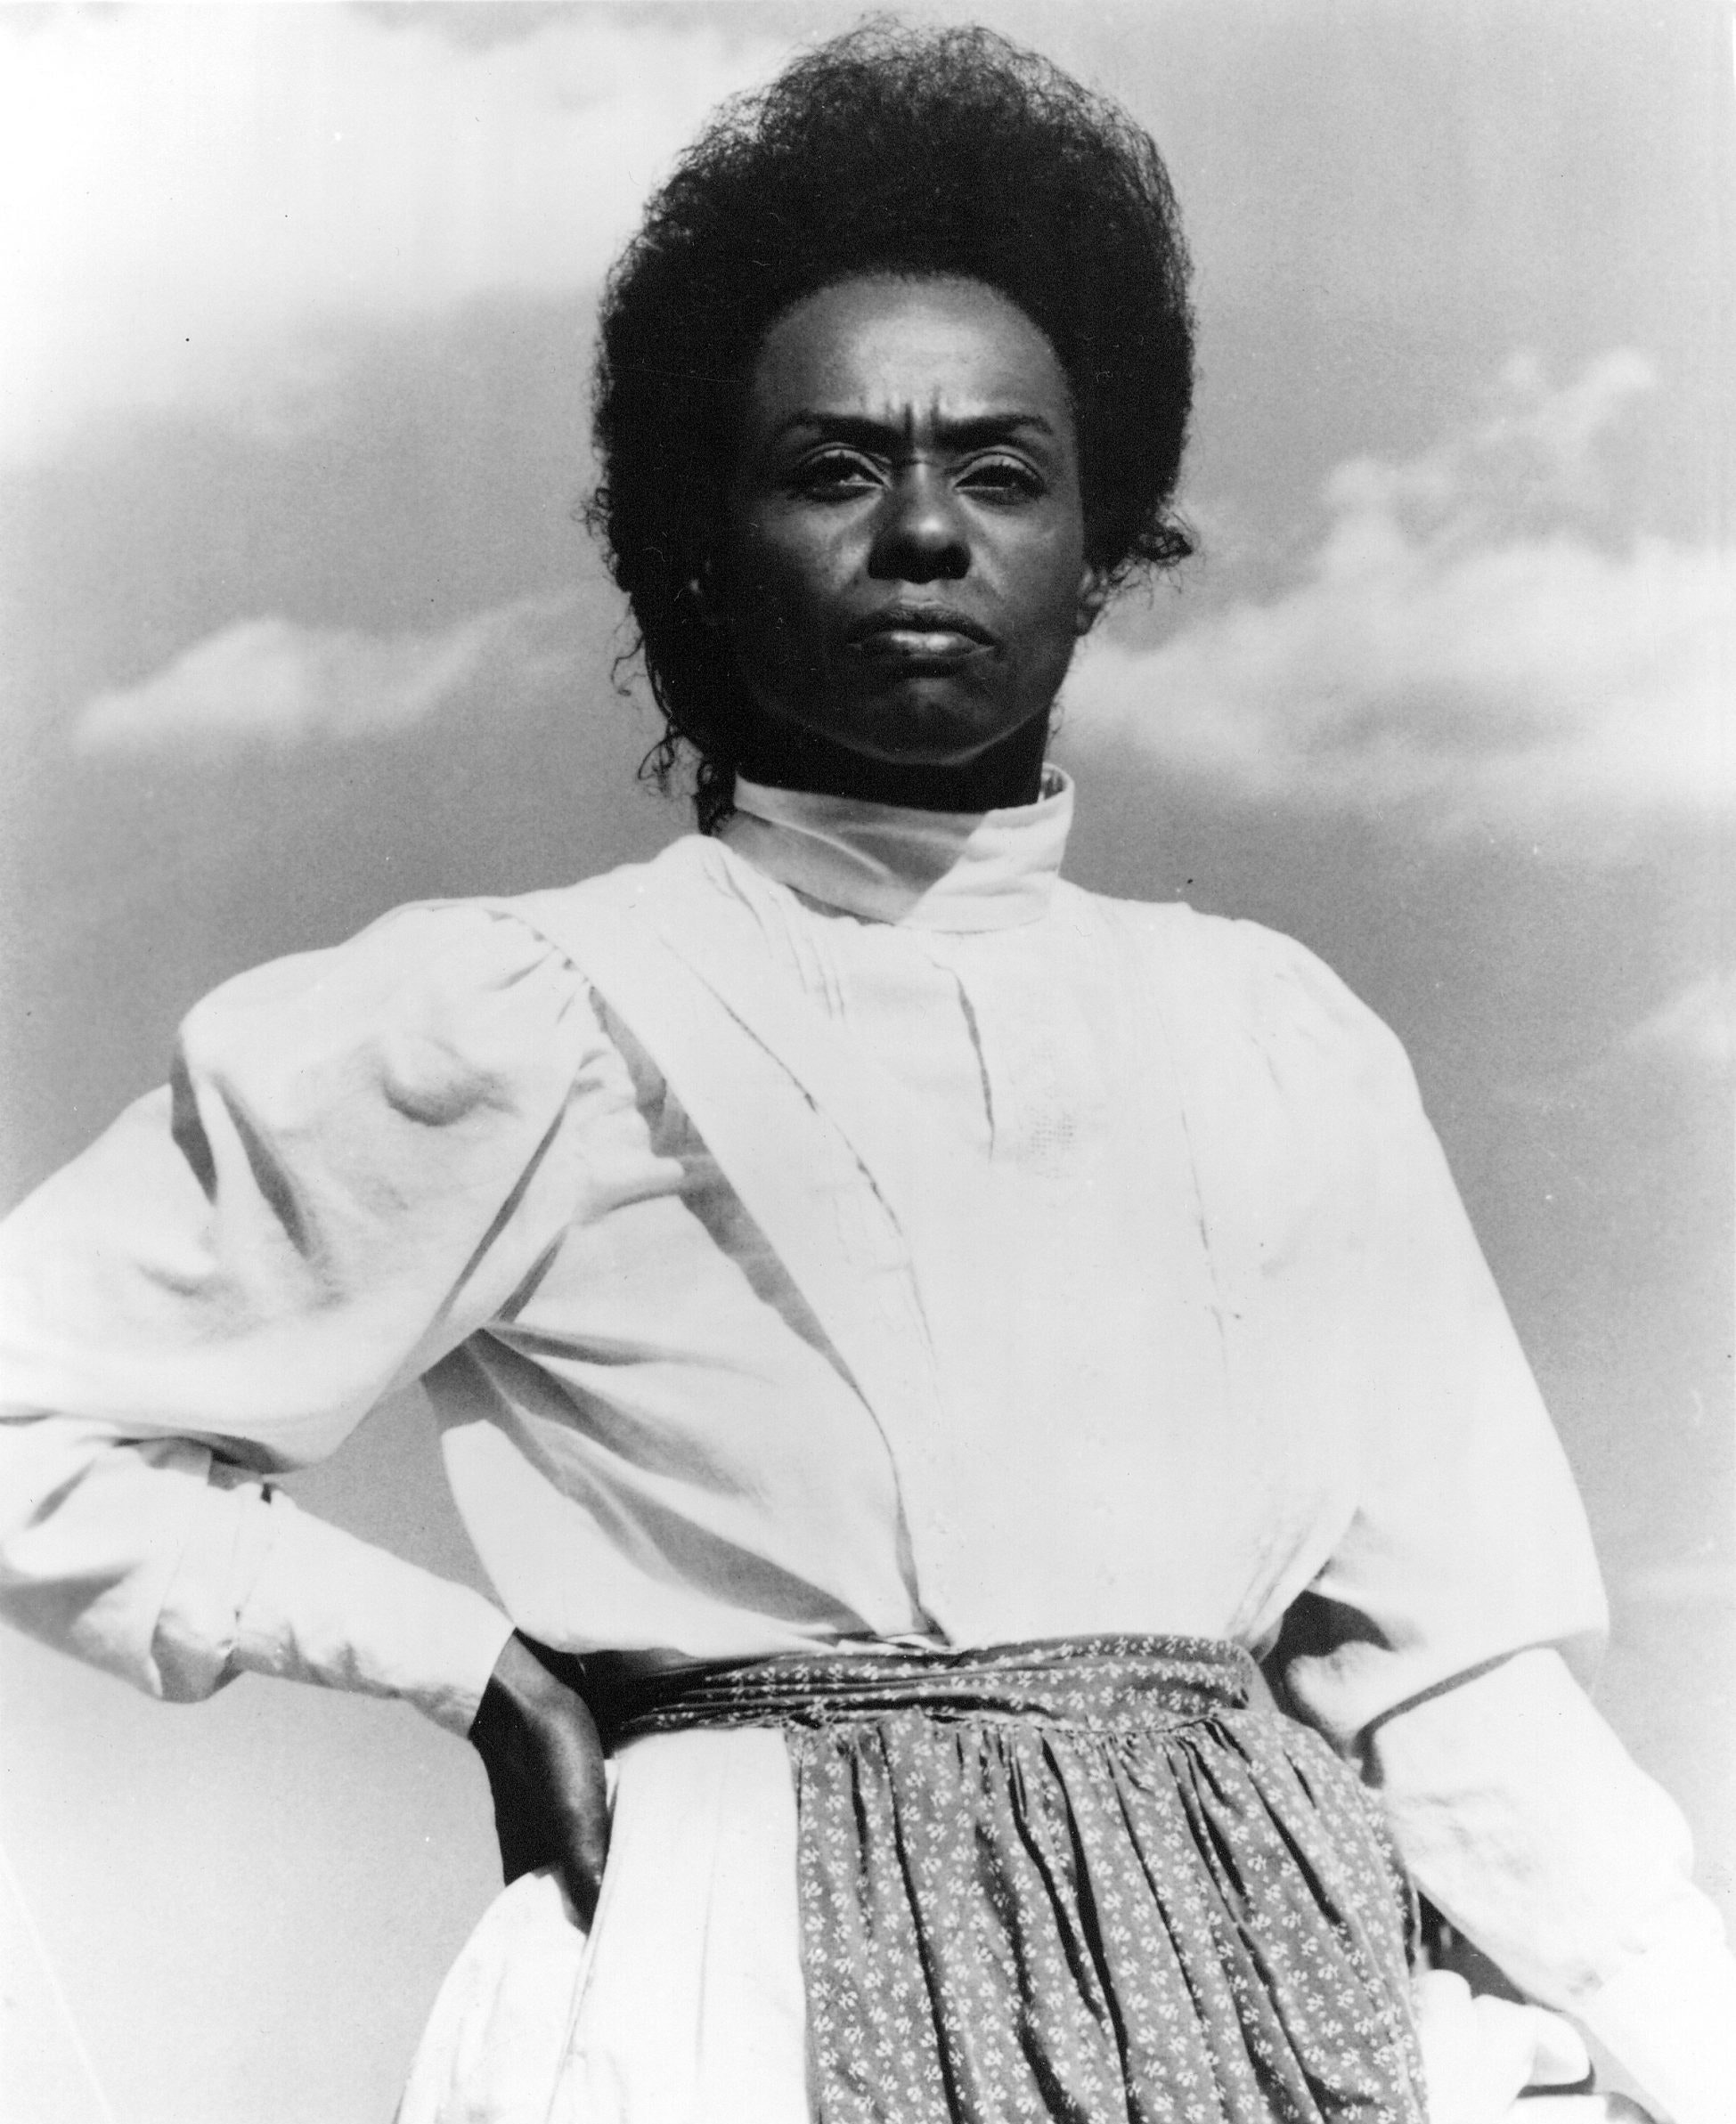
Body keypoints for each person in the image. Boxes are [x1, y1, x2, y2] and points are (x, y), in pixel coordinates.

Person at [0, 23, 1730, 2124]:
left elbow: (1464, 1688)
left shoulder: (1279, 1042)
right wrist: (460, 1662)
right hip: (732, 2005)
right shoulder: (535, 1010)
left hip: (1269, 2004)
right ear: (700, 541)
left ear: (1100, 543)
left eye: (1001, 469)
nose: (924, 528)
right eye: (835, 468)